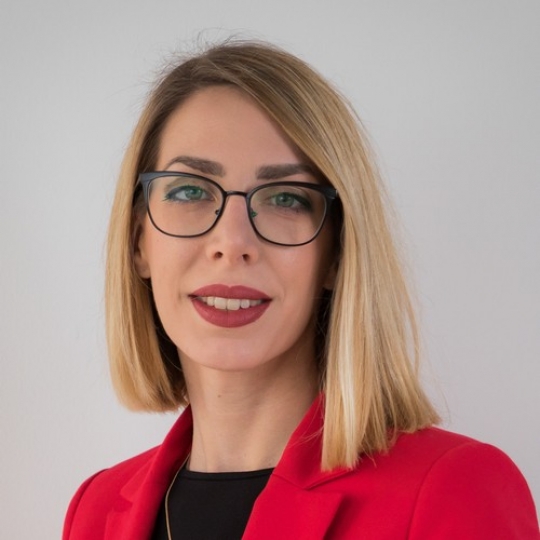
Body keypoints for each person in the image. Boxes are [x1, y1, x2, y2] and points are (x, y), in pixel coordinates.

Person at [63, 41, 539, 539]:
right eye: (190, 191)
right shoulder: (94, 510)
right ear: (138, 240)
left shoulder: (454, 488)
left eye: (285, 198)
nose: (232, 242)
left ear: (336, 251)